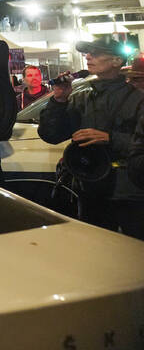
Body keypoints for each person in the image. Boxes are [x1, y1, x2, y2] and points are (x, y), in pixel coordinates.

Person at [39, 36, 144, 239]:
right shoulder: (81, 97)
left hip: (131, 193)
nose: (88, 56)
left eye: (95, 53)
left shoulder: (139, 99)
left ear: (116, 61)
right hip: (90, 190)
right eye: (87, 53)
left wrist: (110, 138)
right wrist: (59, 99)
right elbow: (51, 135)